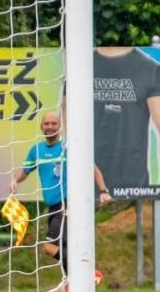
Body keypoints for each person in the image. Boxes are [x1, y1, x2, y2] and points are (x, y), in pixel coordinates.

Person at [7, 110, 111, 269]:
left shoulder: (68, 147)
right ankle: (73, 280)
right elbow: (24, 171)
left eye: (54, 123)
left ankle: (86, 271)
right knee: (67, 247)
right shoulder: (36, 150)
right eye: (46, 124)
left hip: (68, 204)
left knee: (49, 247)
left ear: (60, 126)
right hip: (53, 207)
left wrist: (103, 191)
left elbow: (92, 168)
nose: (50, 126)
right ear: (41, 127)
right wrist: (15, 180)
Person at [92, 46, 160, 196]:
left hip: (133, 185)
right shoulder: (80, 66)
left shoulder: (149, 68)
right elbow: (65, 126)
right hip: (85, 181)